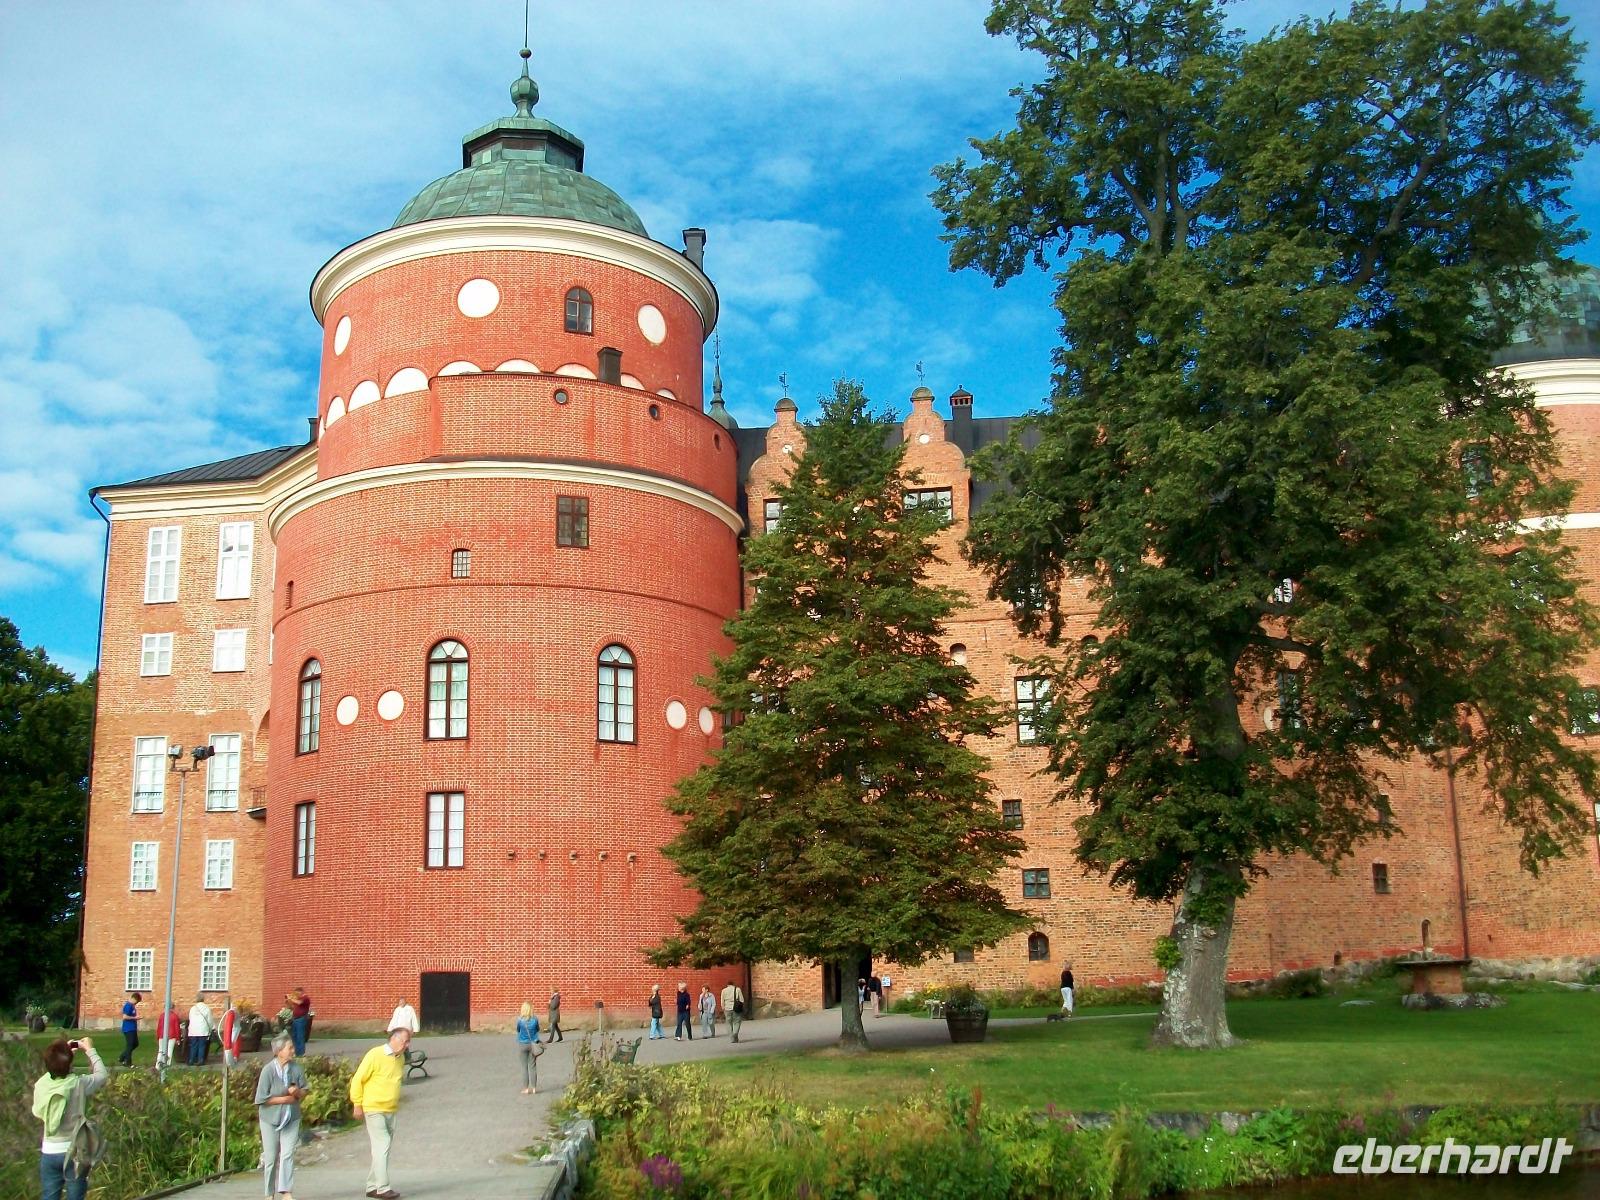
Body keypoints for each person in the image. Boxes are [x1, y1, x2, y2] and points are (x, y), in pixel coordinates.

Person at [33, 1037, 106, 1200]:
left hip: (49, 1151)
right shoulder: (78, 1084)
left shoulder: (41, 1085)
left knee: (49, 1196)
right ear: (69, 1065)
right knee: (75, 1196)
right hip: (74, 1150)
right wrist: (90, 1050)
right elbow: (101, 1075)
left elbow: (51, 1073)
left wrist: (62, 1057)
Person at [350, 1026, 410, 1200]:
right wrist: (357, 1104)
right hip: (374, 1107)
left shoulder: (399, 1058)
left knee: (382, 1148)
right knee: (382, 1144)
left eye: (408, 1042)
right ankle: (383, 1188)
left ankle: (372, 1185)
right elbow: (358, 1079)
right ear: (394, 1039)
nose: (406, 1045)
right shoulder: (375, 1055)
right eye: (405, 1041)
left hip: (390, 1108)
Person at [255, 1031, 307, 1200]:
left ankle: (286, 1191)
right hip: (269, 1119)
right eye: (290, 1048)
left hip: (291, 1118)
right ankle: (269, 1193)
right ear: (279, 1051)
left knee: (287, 1155)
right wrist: (285, 1098)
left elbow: (305, 1090)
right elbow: (261, 1099)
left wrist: (297, 1092)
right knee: (270, 1158)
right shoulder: (268, 1071)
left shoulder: (296, 1069)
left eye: (292, 1047)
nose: (293, 1050)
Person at [516, 1002, 542, 1094]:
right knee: (533, 1066)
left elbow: (518, 1030)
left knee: (524, 1067)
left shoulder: (520, 1020)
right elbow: (538, 1029)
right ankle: (534, 1088)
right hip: (533, 1044)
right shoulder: (535, 1019)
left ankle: (526, 1088)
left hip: (522, 1044)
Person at [187, 994, 214, 1066]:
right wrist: (211, 1028)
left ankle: (191, 1059)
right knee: (202, 1045)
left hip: (193, 1029)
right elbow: (210, 1020)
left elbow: (190, 1018)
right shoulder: (206, 1008)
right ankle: (200, 1060)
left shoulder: (193, 1008)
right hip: (203, 1029)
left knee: (193, 1045)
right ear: (203, 999)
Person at [154, 1003, 181, 1070]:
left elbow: (159, 1027)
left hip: (162, 1035)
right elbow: (177, 1028)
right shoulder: (175, 1016)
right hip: (172, 1035)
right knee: (169, 1050)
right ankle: (167, 1065)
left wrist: (158, 1036)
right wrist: (178, 1038)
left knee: (160, 1050)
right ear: (172, 1008)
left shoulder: (162, 1016)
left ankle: (157, 1065)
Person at [117, 991, 140, 1067]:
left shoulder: (132, 1006)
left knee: (135, 1044)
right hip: (128, 1028)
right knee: (130, 1045)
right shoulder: (128, 1005)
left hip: (133, 1028)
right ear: (134, 999)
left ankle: (122, 1057)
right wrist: (135, 1018)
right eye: (136, 1002)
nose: (136, 1003)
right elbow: (125, 1017)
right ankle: (128, 1062)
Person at [286, 988, 312, 1056]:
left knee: (300, 1035)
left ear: (301, 992)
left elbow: (299, 1003)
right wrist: (288, 1001)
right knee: (294, 1036)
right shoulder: (297, 999)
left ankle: (301, 1053)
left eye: (297, 993)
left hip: (301, 1019)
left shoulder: (305, 998)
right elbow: (291, 1007)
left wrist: (291, 998)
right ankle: (296, 1052)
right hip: (295, 1019)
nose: (296, 995)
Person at [719, 979, 746, 1044]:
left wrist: (723, 1007)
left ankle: (731, 1037)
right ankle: (735, 1033)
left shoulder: (724, 990)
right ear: (733, 984)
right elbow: (742, 1000)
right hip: (736, 1008)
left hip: (727, 1008)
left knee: (728, 1023)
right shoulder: (738, 989)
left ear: (727, 985)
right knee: (737, 1022)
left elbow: (722, 1001)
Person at [219, 996, 240, 1067]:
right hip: (202, 1031)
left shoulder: (232, 1013)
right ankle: (200, 1059)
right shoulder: (231, 1013)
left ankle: (195, 1060)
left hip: (194, 1031)